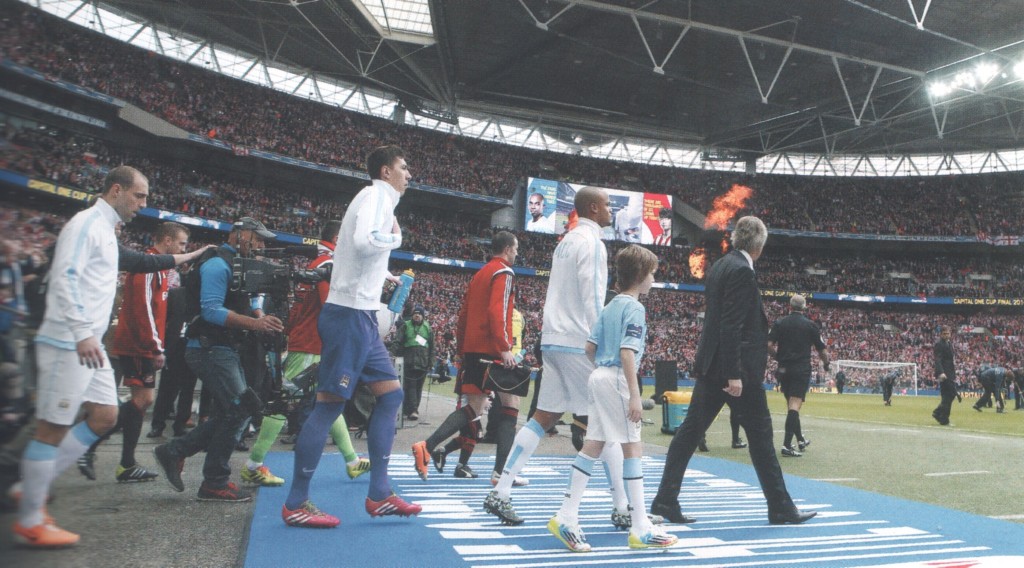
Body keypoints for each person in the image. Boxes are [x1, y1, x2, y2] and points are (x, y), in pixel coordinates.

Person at [488, 187, 646, 531]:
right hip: (578, 341)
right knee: (609, 425)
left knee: (542, 417)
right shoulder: (592, 243)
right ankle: (623, 507)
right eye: (606, 204)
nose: (610, 209)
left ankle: (501, 489)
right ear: (593, 207)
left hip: (553, 339)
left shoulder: (566, 242)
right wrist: (601, 340)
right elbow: (592, 296)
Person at [281, 145, 421, 528]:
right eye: (404, 167)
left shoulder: (379, 199)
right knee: (328, 406)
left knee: (391, 396)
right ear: (385, 170)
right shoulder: (376, 194)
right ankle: (296, 502)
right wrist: (397, 240)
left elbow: (360, 251)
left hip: (359, 315)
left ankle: (379, 494)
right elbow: (363, 241)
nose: (409, 174)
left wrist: (384, 274)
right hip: (349, 316)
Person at [15, 166, 150, 547]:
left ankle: (30, 486)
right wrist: (81, 331)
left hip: (88, 343)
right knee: (52, 427)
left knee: (106, 415)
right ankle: (30, 516)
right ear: (117, 189)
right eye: (139, 196)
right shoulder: (86, 223)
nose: (143, 205)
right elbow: (65, 276)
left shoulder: (105, 229)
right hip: (69, 342)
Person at [651, 216, 816, 526]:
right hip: (735, 370)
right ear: (759, 246)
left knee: (689, 433)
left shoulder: (721, 265)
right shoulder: (741, 270)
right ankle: (780, 507)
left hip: (713, 365)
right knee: (761, 437)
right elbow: (732, 325)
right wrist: (734, 374)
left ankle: (665, 500)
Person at [549, 245, 677, 552]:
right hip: (618, 377)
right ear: (640, 276)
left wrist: (605, 374)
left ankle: (567, 515)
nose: (653, 279)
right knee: (633, 447)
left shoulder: (609, 307)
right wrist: (634, 394)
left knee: (595, 442)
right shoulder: (635, 308)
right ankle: (640, 527)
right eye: (652, 273)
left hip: (599, 376)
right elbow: (626, 352)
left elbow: (590, 348)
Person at [153, 216, 284, 504]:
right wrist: (256, 325)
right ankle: (214, 481)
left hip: (221, 347)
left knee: (234, 410)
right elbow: (211, 310)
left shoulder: (234, 263)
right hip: (209, 348)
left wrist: (261, 317)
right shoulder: (217, 263)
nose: (261, 244)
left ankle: (177, 452)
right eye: (257, 238)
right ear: (240, 234)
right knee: (242, 407)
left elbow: (244, 302)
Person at [240, 221, 370, 487]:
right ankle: (254, 464)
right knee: (286, 399)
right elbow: (332, 307)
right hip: (312, 344)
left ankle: (352, 461)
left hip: (312, 343)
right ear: (338, 237)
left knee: (330, 401)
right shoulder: (327, 264)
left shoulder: (320, 262)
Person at [77, 223, 191, 483]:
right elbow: (144, 311)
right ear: (167, 241)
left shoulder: (159, 268)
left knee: (142, 400)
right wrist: (156, 346)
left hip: (137, 342)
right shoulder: (149, 266)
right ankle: (90, 443)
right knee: (141, 400)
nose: (184, 249)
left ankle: (125, 464)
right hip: (137, 344)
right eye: (182, 244)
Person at [413, 231, 522, 484]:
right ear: (507, 249)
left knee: (473, 408)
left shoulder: (480, 274)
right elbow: (498, 312)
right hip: (492, 350)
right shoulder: (504, 273)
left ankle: (426, 447)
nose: (517, 253)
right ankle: (501, 473)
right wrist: (504, 347)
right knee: (511, 405)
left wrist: (463, 350)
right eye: (515, 249)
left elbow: (463, 315)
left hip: (473, 350)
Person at [767, 294, 829, 457]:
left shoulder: (780, 323)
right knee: (795, 405)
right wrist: (827, 363)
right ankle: (787, 445)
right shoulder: (810, 325)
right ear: (804, 307)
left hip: (783, 369)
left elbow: (768, 344)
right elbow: (821, 349)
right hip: (800, 368)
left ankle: (800, 439)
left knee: (791, 405)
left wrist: (777, 357)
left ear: (789, 306)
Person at [393, 304, 434, 421]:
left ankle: (410, 409)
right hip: (409, 361)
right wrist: (392, 353)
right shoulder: (405, 326)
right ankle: (413, 410)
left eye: (419, 314)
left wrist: (431, 362)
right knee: (410, 386)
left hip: (423, 362)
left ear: (423, 316)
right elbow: (397, 341)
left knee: (418, 388)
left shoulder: (428, 328)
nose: (417, 316)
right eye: (415, 314)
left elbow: (432, 347)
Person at [932, 327, 958, 425]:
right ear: (941, 334)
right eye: (945, 333)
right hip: (945, 374)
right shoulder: (939, 344)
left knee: (949, 395)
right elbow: (937, 359)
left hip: (950, 373)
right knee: (949, 394)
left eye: (948, 333)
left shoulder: (949, 343)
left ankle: (939, 414)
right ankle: (942, 416)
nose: (947, 335)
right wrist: (941, 372)